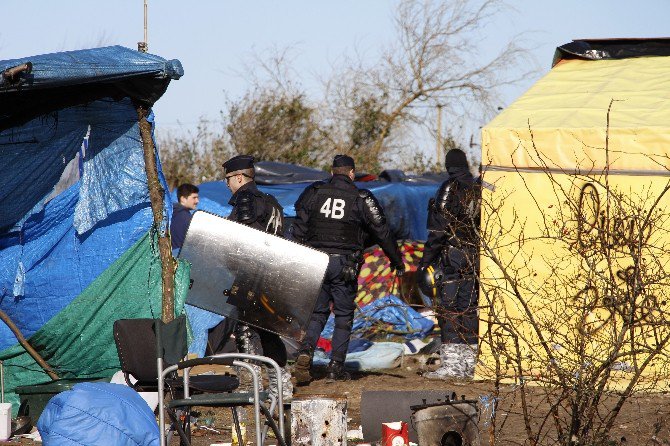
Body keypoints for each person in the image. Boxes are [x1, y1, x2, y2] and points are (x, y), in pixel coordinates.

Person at [290, 154, 405, 383]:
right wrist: (396, 260)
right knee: (343, 316)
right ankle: (335, 367)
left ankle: (306, 352)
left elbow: (298, 229)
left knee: (317, 314)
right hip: (344, 265)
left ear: (332, 172)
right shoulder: (361, 197)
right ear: (352, 173)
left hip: (315, 262)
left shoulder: (314, 192)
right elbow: (382, 230)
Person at [206, 154, 292, 398]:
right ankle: (281, 386)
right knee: (268, 332)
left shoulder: (245, 199)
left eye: (229, 179)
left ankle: (249, 387)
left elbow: (246, 240)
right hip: (273, 274)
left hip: (251, 276)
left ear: (240, 177)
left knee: (244, 331)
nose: (227, 184)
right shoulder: (272, 201)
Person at [418, 148, 481, 380]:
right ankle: (470, 365)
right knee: (470, 309)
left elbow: (438, 229)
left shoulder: (449, 187)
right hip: (476, 256)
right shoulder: (478, 188)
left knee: (449, 310)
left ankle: (453, 366)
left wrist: (426, 262)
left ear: (448, 166)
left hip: (453, 256)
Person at [171, 183, 199, 252]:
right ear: (183, 199)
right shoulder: (186, 218)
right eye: (194, 198)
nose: (197, 201)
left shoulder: (171, 214)